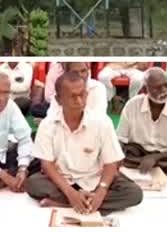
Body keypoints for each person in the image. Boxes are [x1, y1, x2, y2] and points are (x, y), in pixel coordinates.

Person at [26, 71, 143, 213]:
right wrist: (70, 192)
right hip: (64, 181)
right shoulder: (48, 124)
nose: (79, 101)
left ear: (87, 94)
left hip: (95, 178)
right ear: (58, 99)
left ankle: (68, 203)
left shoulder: (102, 122)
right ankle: (80, 201)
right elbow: (47, 164)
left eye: (82, 95)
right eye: (72, 97)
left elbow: (111, 162)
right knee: (33, 184)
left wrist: (101, 191)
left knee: (134, 193)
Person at [116, 68, 167, 182]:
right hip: (139, 151)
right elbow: (121, 137)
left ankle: (155, 164)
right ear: (145, 90)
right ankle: (165, 167)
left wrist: (155, 158)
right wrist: (117, 158)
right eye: (157, 88)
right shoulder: (132, 105)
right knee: (122, 154)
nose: (164, 91)